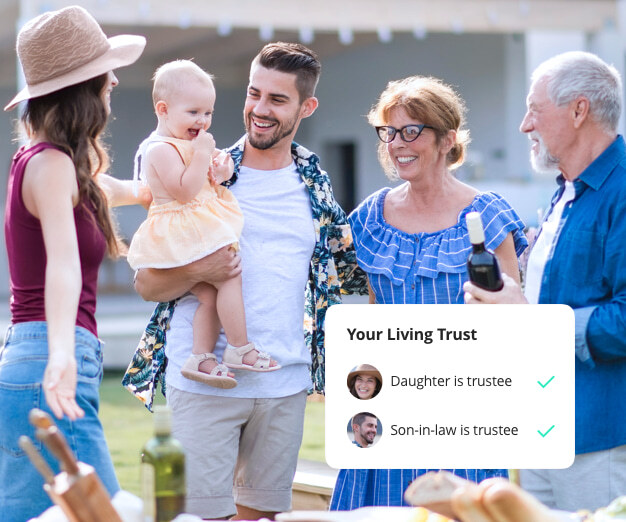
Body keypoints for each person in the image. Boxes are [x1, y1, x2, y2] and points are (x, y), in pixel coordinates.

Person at [123, 42, 367, 520]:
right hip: (206, 382)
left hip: (285, 383)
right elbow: (148, 284)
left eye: (277, 99)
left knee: (264, 516)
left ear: (306, 107)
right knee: (198, 517)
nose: (258, 108)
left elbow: (353, 266)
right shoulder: (204, 173)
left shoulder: (314, 184)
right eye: (254, 93)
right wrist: (200, 272)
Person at [330, 75, 529, 511]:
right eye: (389, 132)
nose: (397, 143)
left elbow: (513, 324)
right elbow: (372, 312)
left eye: (412, 130)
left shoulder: (487, 215)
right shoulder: (370, 217)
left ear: (447, 139)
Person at [0, 6, 146, 521]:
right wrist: (60, 356)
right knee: (103, 513)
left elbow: (117, 189)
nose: (112, 81)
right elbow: (61, 265)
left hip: (36, 357)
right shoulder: (52, 165)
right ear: (82, 88)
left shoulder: (48, 163)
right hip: (52, 358)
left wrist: (169, 188)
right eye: (104, 72)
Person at [464, 51, 626, 512]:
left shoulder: (623, 192)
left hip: (598, 437)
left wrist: (531, 320)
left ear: (579, 111)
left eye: (535, 109)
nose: (524, 125)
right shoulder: (565, 191)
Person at [128, 60, 278, 389]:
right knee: (229, 275)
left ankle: (201, 355)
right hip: (181, 228)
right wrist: (200, 155)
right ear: (163, 109)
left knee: (209, 295)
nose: (203, 121)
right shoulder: (159, 149)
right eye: (193, 112)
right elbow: (183, 191)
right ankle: (239, 347)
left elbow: (203, 183)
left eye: (208, 113)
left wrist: (219, 172)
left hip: (194, 223)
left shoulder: (187, 144)